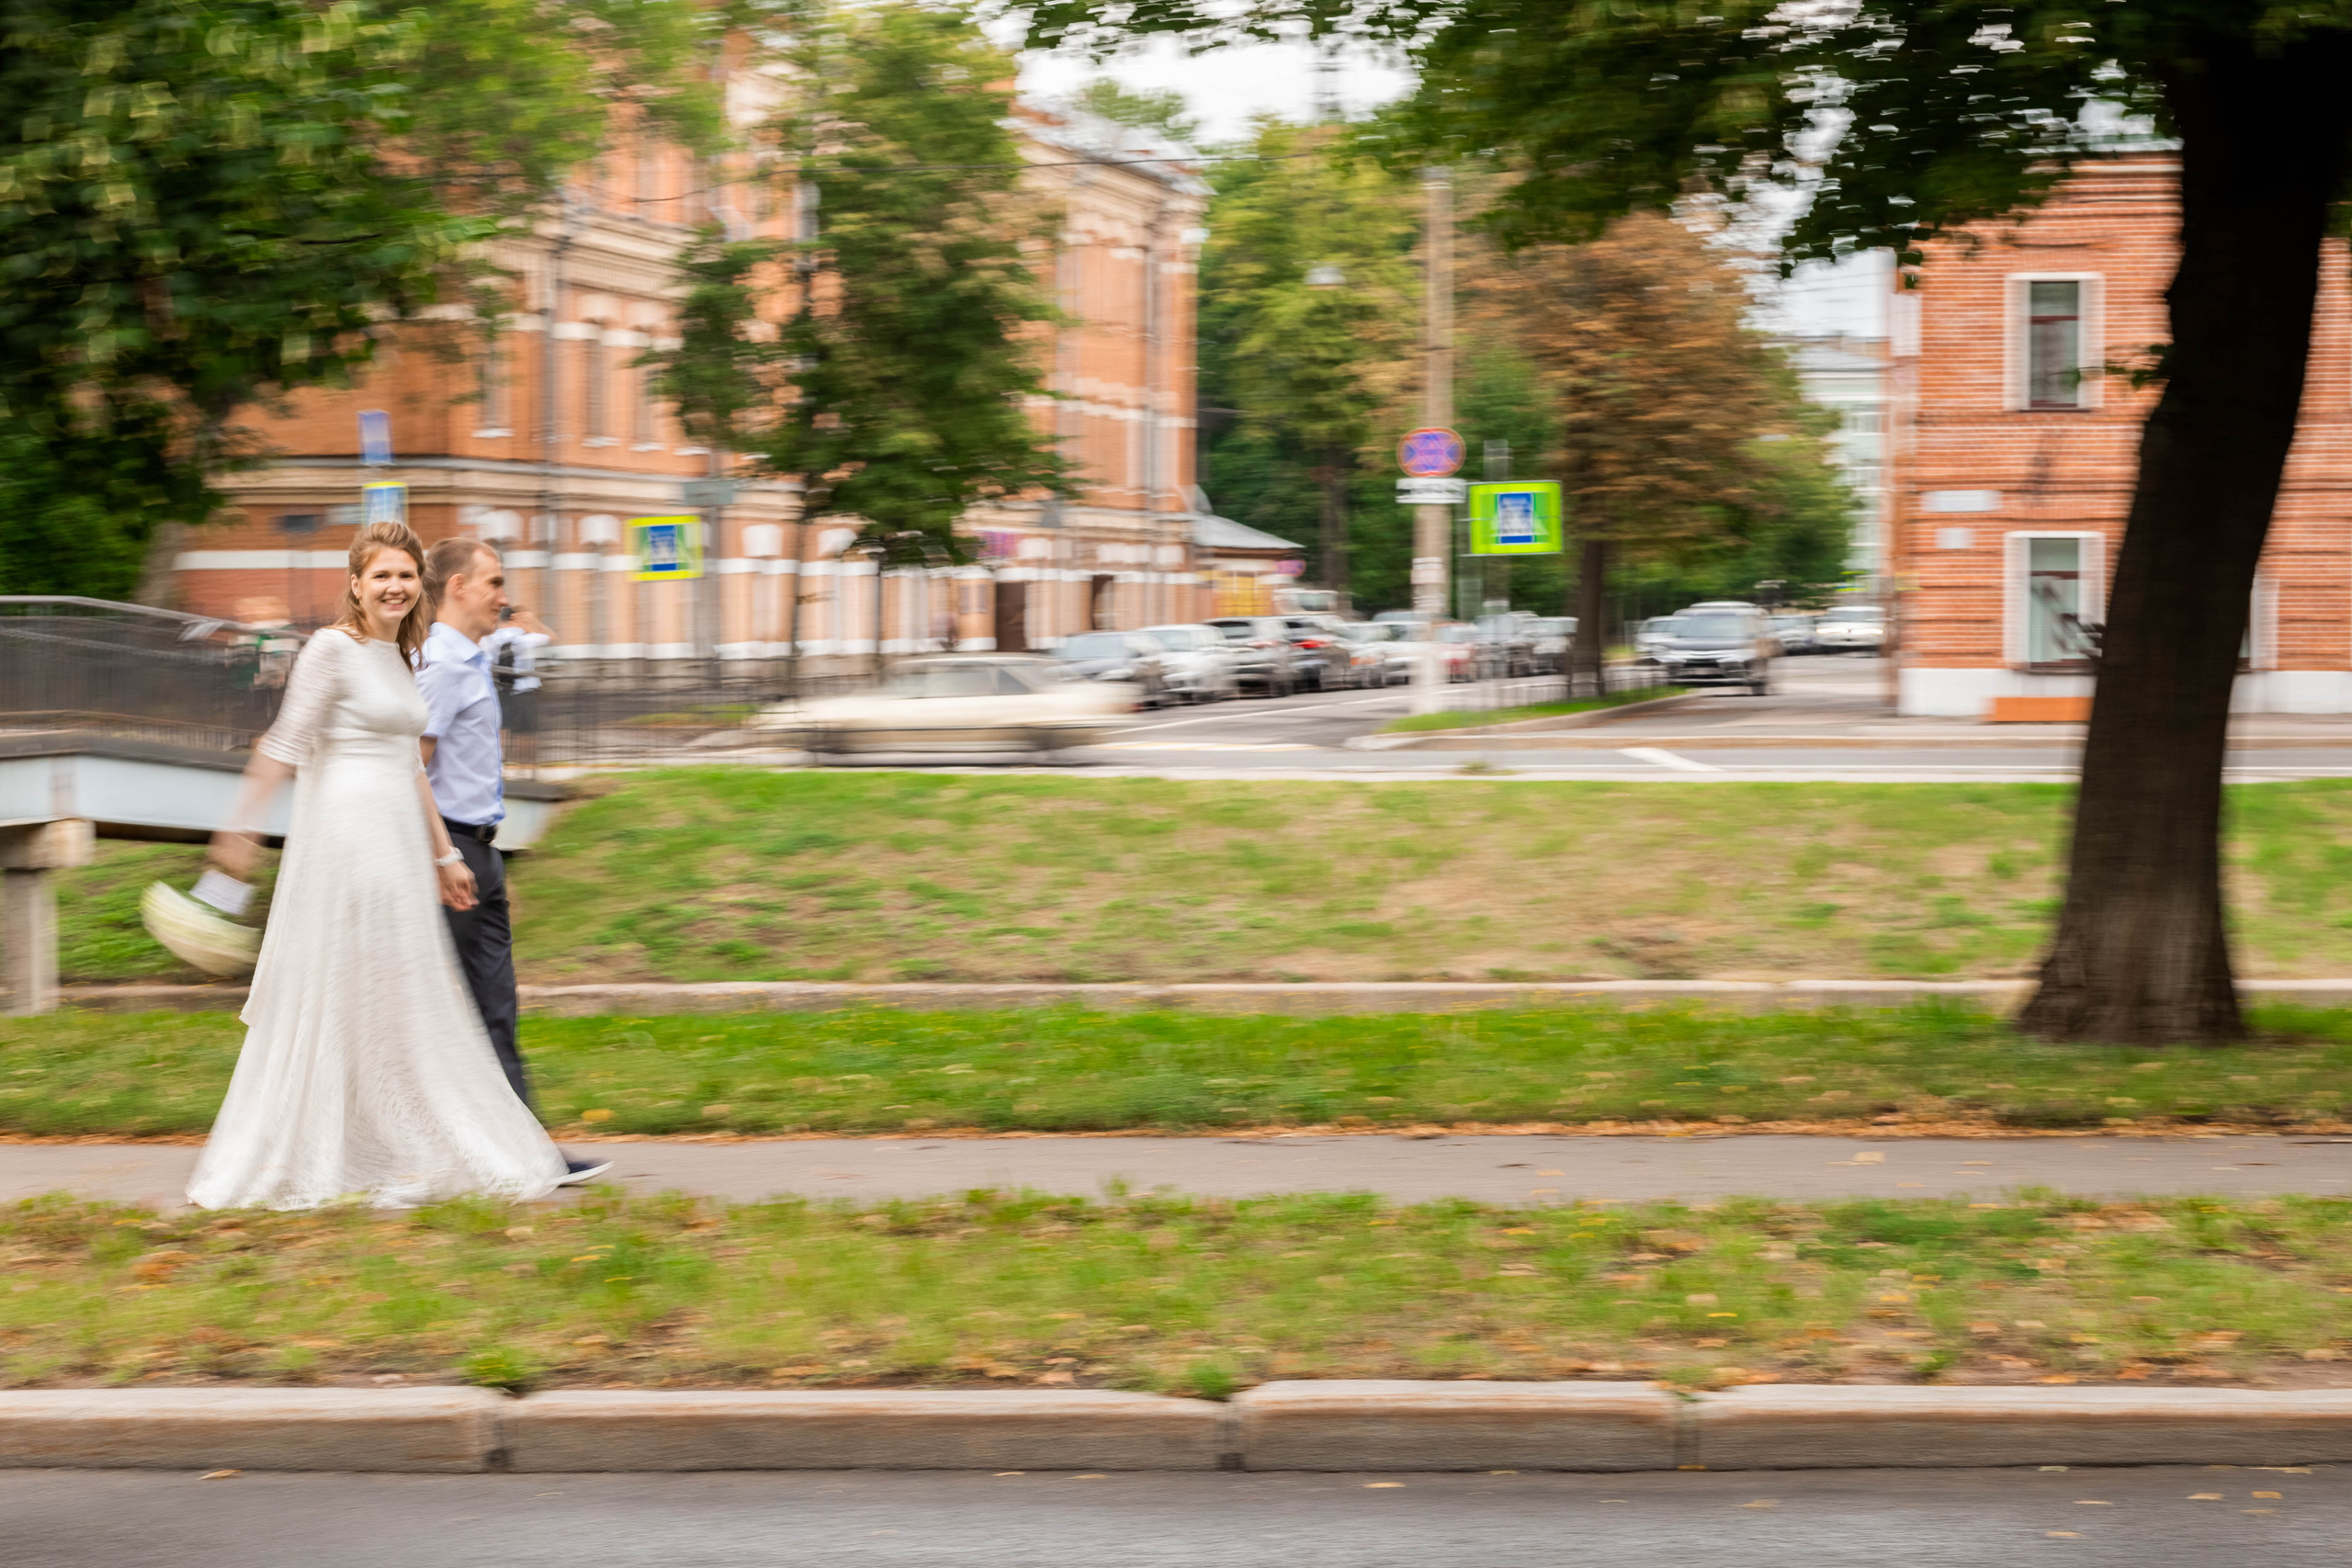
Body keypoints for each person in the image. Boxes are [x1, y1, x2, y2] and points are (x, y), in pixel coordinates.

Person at [187, 523, 571, 1211]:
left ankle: (395, 1146)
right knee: (358, 979)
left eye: (406, 575)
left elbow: (410, 765)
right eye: (381, 575)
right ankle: (334, 1147)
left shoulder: (400, 656)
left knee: (399, 984)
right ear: (356, 584)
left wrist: (444, 854)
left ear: (421, 584)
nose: (395, 587)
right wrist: (240, 829)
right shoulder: (331, 649)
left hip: (398, 834)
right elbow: (285, 740)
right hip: (350, 833)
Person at [419, 538, 609, 1185]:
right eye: (494, 582)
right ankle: (518, 1154)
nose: (503, 596)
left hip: (477, 847)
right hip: (453, 851)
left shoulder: (467, 659)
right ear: (457, 587)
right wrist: (446, 855)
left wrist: (483, 857)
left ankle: (512, 1149)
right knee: (482, 1007)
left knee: (490, 1006)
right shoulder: (444, 665)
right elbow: (410, 768)